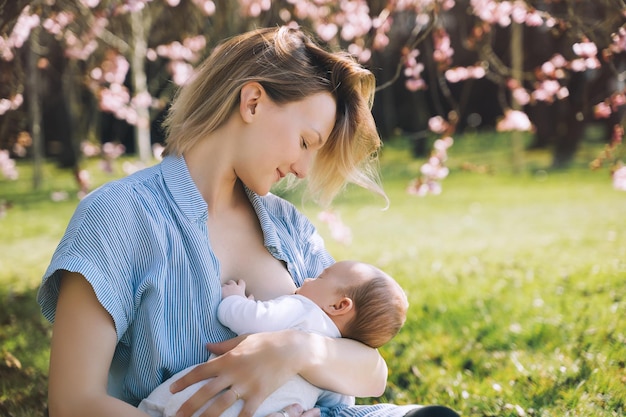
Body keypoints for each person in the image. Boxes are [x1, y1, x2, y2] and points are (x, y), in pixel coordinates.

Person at [37, 26, 460, 417]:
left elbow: (371, 372)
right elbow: (74, 402)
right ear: (252, 101)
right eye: (304, 142)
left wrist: (293, 349)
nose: (303, 169)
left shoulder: (289, 227)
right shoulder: (119, 216)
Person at [139, 260, 409, 417]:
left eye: (322, 276)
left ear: (339, 306)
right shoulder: (337, 359)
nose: (309, 277)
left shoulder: (302, 309)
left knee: (164, 405)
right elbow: (340, 403)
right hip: (270, 409)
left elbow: (251, 319)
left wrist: (234, 298)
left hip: (214, 398)